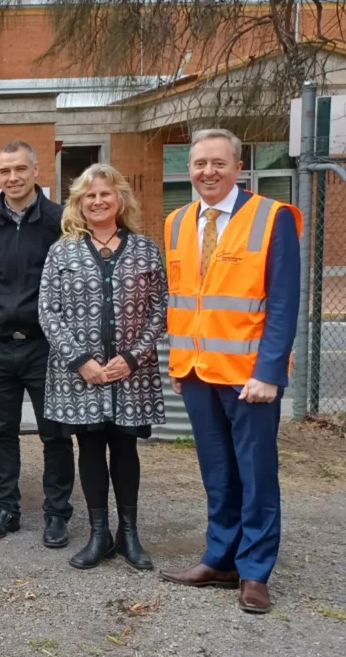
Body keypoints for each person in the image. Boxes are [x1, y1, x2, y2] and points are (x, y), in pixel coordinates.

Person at [159, 129, 301, 615]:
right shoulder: (176, 222)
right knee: (217, 472)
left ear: (238, 168)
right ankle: (220, 558)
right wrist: (180, 360)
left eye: (218, 163)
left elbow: (283, 302)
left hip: (249, 376)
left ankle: (255, 570)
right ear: (189, 168)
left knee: (256, 473)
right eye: (199, 164)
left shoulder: (271, 217)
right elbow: (182, 299)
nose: (208, 172)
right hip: (197, 370)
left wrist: (269, 370)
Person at [38, 164, 167, 572]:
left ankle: (129, 534)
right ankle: (99, 534)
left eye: (105, 194)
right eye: (88, 196)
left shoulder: (145, 249)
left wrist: (132, 358)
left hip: (131, 373)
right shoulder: (63, 251)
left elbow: (160, 308)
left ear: (120, 199)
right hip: (81, 376)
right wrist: (82, 362)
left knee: (125, 447)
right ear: (78, 203)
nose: (97, 201)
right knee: (90, 447)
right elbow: (48, 310)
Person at [0, 141, 75, 547]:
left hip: (45, 346)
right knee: (2, 432)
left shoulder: (60, 220)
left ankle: (56, 514)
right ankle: (7, 509)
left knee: (56, 433)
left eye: (19, 169)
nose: (12, 178)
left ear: (35, 171)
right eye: (4, 171)